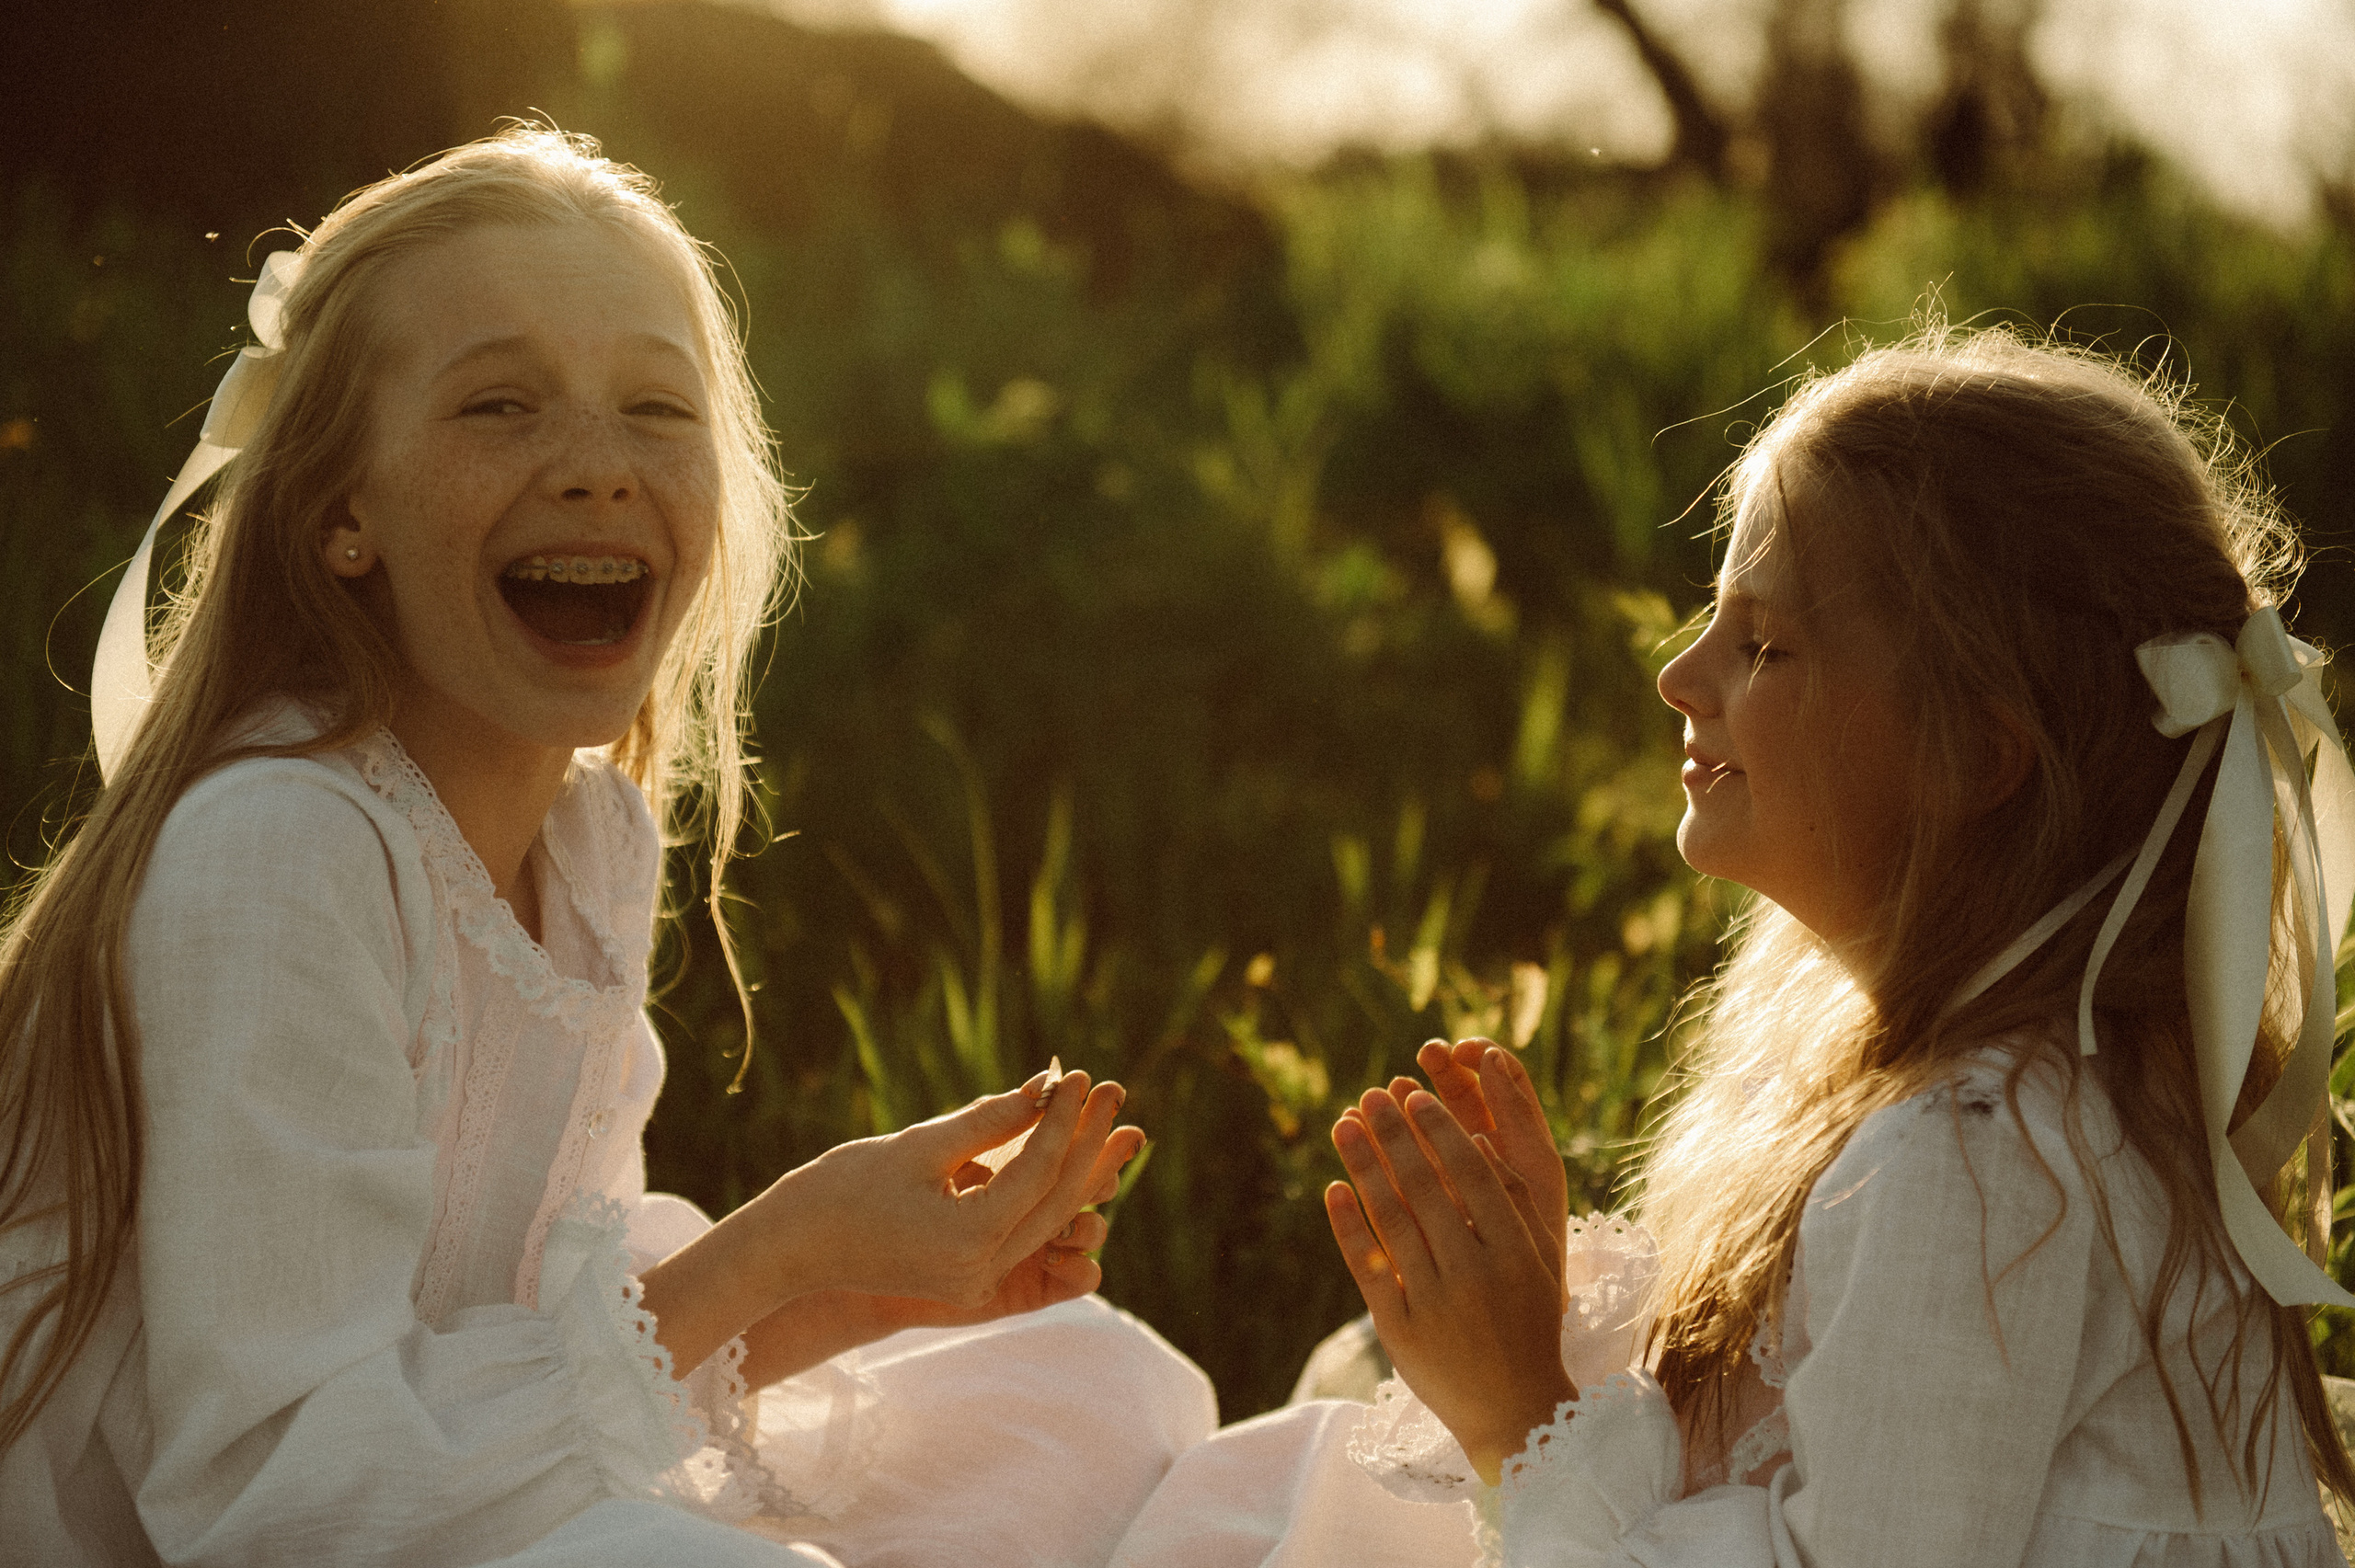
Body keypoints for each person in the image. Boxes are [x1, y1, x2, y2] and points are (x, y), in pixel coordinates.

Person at [0, 126, 1214, 1568]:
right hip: (255, 1533)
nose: (595, 467)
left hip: (435, 1486)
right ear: (343, 515)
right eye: (499, 406)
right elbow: (284, 1496)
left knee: (1095, 1384)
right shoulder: (279, 848)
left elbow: (526, 1314)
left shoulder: (586, 839)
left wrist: (850, 1293)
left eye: (656, 405)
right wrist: (775, 1247)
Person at [1110, 327, 2355, 1566]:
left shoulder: (1975, 1164)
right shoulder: (2068, 1097)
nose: (1678, 676)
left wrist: (1519, 1412)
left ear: (1975, 754)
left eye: (1761, 642)